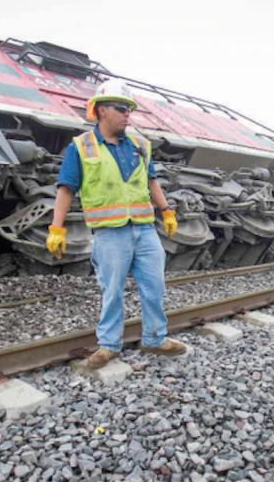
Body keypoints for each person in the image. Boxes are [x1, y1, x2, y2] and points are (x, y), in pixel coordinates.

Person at [46, 78, 187, 369]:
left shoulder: (140, 144)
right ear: (100, 110)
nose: (127, 113)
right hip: (111, 234)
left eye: (129, 108)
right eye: (121, 107)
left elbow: (151, 182)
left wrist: (166, 210)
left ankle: (154, 338)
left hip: (145, 230)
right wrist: (56, 228)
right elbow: (66, 188)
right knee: (112, 291)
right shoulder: (81, 147)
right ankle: (109, 345)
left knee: (154, 286)